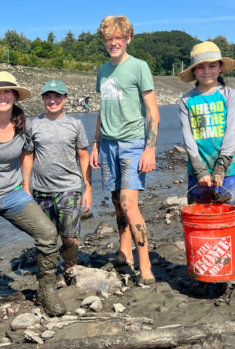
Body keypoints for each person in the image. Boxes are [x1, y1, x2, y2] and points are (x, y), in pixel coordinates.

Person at [0, 71, 66, 331]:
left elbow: (26, 155)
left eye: (7, 91)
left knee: (48, 233)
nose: (2, 96)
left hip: (13, 194)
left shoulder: (24, 123)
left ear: (14, 95)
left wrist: (26, 187)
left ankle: (47, 292)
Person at [90, 16, 159, 285]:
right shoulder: (102, 70)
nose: (113, 42)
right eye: (109, 38)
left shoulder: (139, 67)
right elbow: (102, 108)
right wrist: (96, 144)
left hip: (132, 143)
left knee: (130, 205)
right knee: (118, 203)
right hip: (107, 145)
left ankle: (146, 267)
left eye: (119, 38)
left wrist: (150, 149)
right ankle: (124, 252)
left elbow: (153, 111)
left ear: (128, 38)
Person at [178, 42, 235, 295]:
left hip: (230, 169)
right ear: (193, 72)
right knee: (201, 219)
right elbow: (188, 137)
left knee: (225, 219)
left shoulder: (230, 95)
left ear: (220, 68)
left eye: (212, 66)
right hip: (198, 170)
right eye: (200, 67)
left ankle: (223, 271)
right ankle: (203, 273)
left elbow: (232, 130)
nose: (207, 71)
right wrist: (201, 170)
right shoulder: (186, 100)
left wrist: (221, 165)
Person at [29, 80, 92, 286]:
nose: (52, 101)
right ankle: (48, 276)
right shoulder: (33, 124)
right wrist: (24, 186)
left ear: (65, 99)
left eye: (57, 96)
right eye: (48, 96)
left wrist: (88, 187)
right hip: (41, 190)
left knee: (69, 237)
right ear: (43, 99)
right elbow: (28, 156)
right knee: (45, 237)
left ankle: (70, 271)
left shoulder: (75, 124)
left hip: (69, 189)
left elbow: (84, 157)